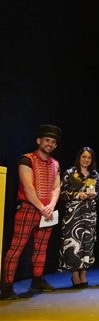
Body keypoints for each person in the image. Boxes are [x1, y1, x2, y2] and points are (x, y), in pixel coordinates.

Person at [1, 125, 62, 300]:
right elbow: (28, 188)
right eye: (47, 140)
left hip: (47, 211)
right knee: (17, 247)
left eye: (53, 142)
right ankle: (6, 287)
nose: (50, 144)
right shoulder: (26, 159)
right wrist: (42, 207)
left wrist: (50, 205)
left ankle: (37, 281)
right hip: (29, 208)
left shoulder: (55, 164)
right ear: (39, 141)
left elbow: (56, 188)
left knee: (41, 248)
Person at [58, 147, 99, 288]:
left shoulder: (94, 175)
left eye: (89, 158)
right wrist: (77, 195)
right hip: (73, 214)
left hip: (90, 213)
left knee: (88, 243)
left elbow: (97, 193)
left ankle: (84, 273)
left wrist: (94, 195)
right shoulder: (69, 173)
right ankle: (75, 274)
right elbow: (61, 193)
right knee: (73, 243)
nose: (86, 160)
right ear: (79, 158)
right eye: (84, 157)